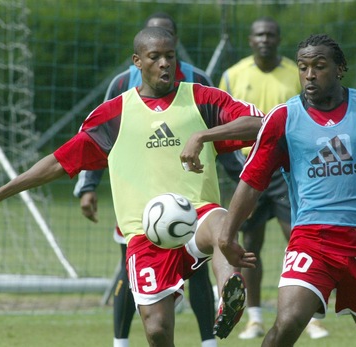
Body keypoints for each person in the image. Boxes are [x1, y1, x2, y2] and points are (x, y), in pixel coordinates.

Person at [0, 27, 264, 346]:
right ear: (137, 61)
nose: (164, 63)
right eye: (155, 57)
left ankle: (229, 291)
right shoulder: (112, 115)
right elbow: (58, 162)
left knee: (221, 225)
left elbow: (261, 124)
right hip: (145, 235)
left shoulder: (202, 98)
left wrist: (202, 135)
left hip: (195, 216)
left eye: (170, 56)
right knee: (157, 329)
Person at [218, 33, 356, 347]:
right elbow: (252, 180)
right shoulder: (283, 118)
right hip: (313, 239)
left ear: (340, 68)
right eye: (303, 67)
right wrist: (226, 235)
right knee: (287, 324)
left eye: (319, 66)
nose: (309, 74)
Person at [73, 12, 217, 347]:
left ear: (175, 42)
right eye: (154, 48)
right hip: (139, 203)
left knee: (199, 272)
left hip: (189, 198)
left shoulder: (198, 82)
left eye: (168, 43)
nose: (163, 57)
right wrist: (89, 186)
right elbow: (98, 140)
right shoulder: (122, 85)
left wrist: (241, 180)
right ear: (139, 55)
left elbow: (216, 134)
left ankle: (209, 341)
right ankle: (120, 341)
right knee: (130, 272)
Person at [217, 17, 328, 340]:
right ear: (250, 40)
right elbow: (223, 120)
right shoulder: (233, 74)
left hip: (287, 171)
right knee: (250, 245)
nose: (264, 39)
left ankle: (309, 315)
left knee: (299, 238)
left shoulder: (299, 72)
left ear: (279, 39)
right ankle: (254, 317)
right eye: (259, 34)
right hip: (247, 170)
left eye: (270, 34)